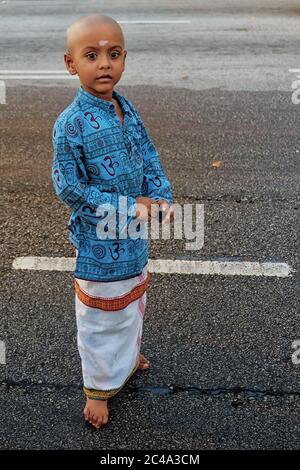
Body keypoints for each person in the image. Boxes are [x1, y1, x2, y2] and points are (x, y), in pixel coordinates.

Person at [51, 13, 174, 430]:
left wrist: (160, 196)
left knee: (134, 300)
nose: (104, 63)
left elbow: (149, 154)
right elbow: (70, 189)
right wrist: (129, 206)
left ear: (124, 59)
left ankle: (126, 358)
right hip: (99, 243)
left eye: (113, 53)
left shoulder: (125, 106)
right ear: (71, 64)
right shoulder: (70, 124)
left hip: (134, 236)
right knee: (101, 318)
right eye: (92, 55)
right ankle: (97, 389)